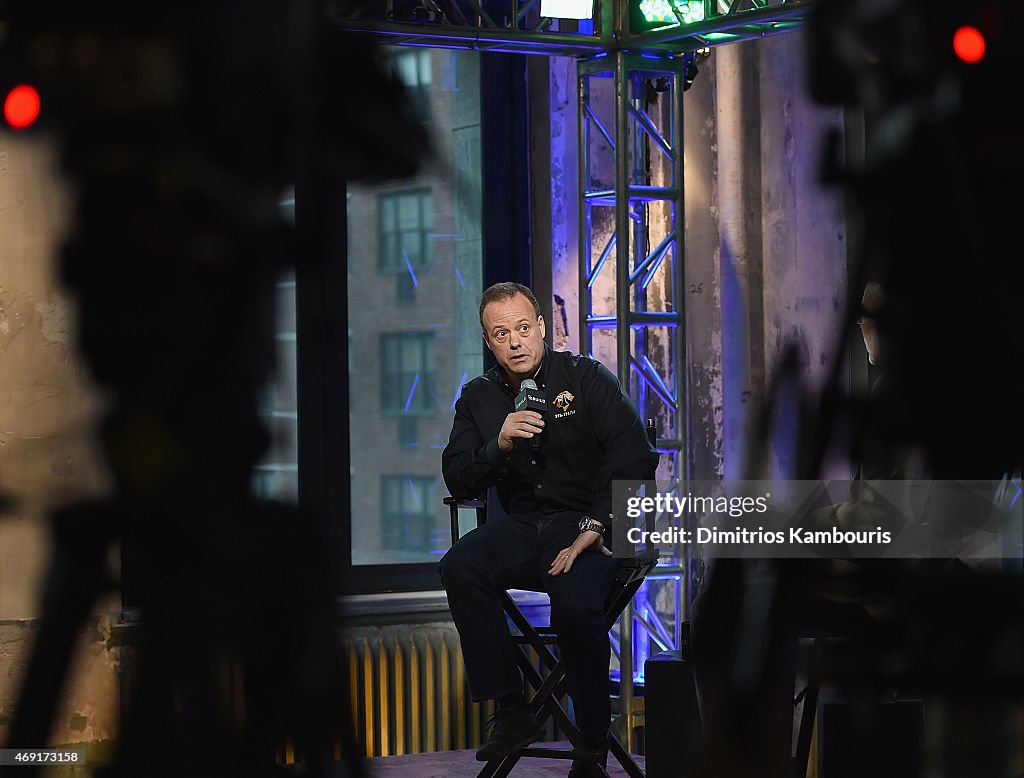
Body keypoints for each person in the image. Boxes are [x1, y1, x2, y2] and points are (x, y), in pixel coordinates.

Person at [440, 282, 659, 773]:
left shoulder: (585, 378)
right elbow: (458, 474)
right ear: (488, 340)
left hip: (588, 527)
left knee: (574, 603)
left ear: (540, 327)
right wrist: (498, 445)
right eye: (502, 333)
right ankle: (513, 709)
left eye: (523, 328)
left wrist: (598, 522)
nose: (515, 341)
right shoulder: (478, 397)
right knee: (459, 565)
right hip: (525, 528)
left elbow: (636, 454)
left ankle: (592, 738)